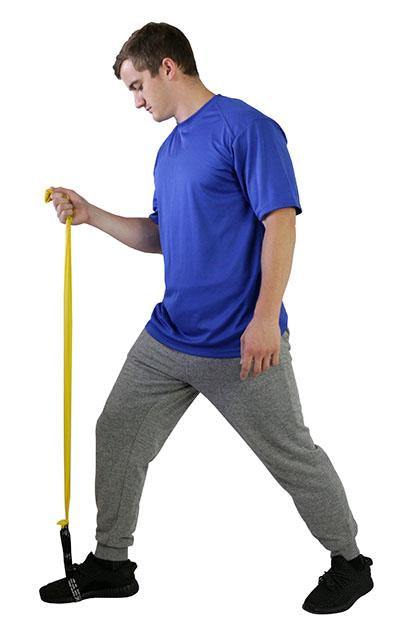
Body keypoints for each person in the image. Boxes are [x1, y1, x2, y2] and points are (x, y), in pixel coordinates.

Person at [39, 21, 373, 612]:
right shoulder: (168, 152)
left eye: (138, 86)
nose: (136, 102)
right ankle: (111, 563)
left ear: (168, 67)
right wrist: (91, 215)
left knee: (291, 454)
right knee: (116, 430)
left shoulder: (247, 128)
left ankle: (350, 562)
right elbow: (160, 236)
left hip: (241, 343)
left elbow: (281, 222)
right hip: (169, 337)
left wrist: (265, 318)